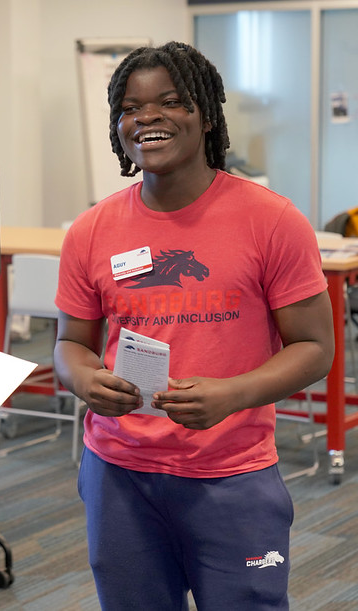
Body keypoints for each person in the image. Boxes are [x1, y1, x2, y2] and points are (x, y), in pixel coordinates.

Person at [54, 41, 334, 610]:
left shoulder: (272, 221)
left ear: (206, 116)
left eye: (171, 102)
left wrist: (233, 395)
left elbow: (314, 347)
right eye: (130, 108)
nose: (147, 118)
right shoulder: (90, 231)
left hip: (233, 476)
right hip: (120, 474)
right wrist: (86, 381)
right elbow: (69, 345)